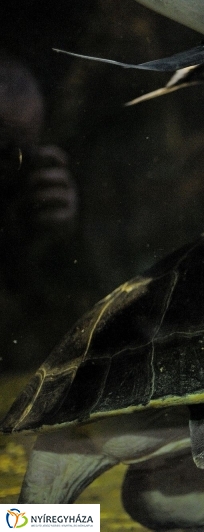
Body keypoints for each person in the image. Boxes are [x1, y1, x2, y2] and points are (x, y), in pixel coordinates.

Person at [0, 53, 90, 371]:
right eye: (5, 150)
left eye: (27, 152)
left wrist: (56, 241)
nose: (15, 169)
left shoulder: (29, 214)